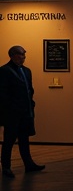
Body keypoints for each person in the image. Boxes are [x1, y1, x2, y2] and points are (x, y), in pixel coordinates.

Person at [1, 45, 44, 178]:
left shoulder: (26, 71)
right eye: (21, 55)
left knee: (24, 138)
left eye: (24, 54)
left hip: (25, 111)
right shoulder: (4, 71)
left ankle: (29, 164)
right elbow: (3, 93)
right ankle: (6, 167)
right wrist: (8, 108)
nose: (23, 57)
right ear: (13, 55)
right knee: (9, 140)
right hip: (12, 112)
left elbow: (29, 89)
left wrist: (30, 104)